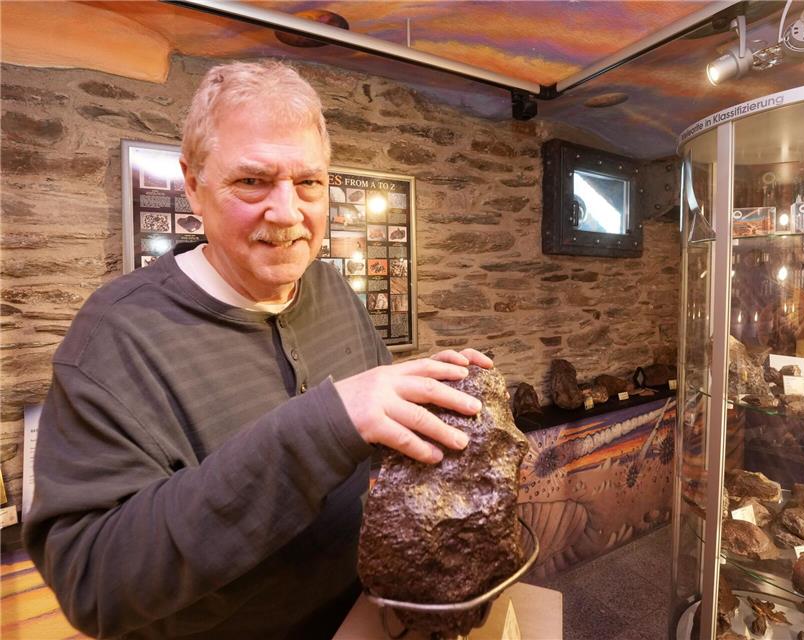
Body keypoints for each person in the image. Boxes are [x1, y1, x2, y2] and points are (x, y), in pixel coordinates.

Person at [23, 60, 492, 639]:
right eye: (252, 181)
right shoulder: (113, 341)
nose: (288, 213)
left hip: (365, 616)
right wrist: (322, 426)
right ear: (192, 185)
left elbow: (370, 442)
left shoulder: (330, 287)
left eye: (309, 183)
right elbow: (92, 585)